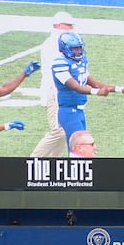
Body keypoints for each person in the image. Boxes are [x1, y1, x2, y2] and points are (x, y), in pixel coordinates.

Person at [50, 31, 124, 154]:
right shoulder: (59, 63)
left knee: (80, 147)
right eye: (75, 49)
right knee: (81, 147)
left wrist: (120, 89)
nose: (78, 51)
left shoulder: (80, 62)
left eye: (79, 48)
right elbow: (76, 87)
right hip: (68, 111)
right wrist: (97, 92)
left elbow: (95, 83)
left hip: (79, 111)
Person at [29, 12, 76, 158]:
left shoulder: (63, 42)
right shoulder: (53, 44)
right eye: (68, 25)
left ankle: (54, 164)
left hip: (65, 94)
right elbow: (58, 73)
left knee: (64, 132)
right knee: (59, 131)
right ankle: (33, 159)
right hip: (55, 93)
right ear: (58, 25)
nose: (71, 28)